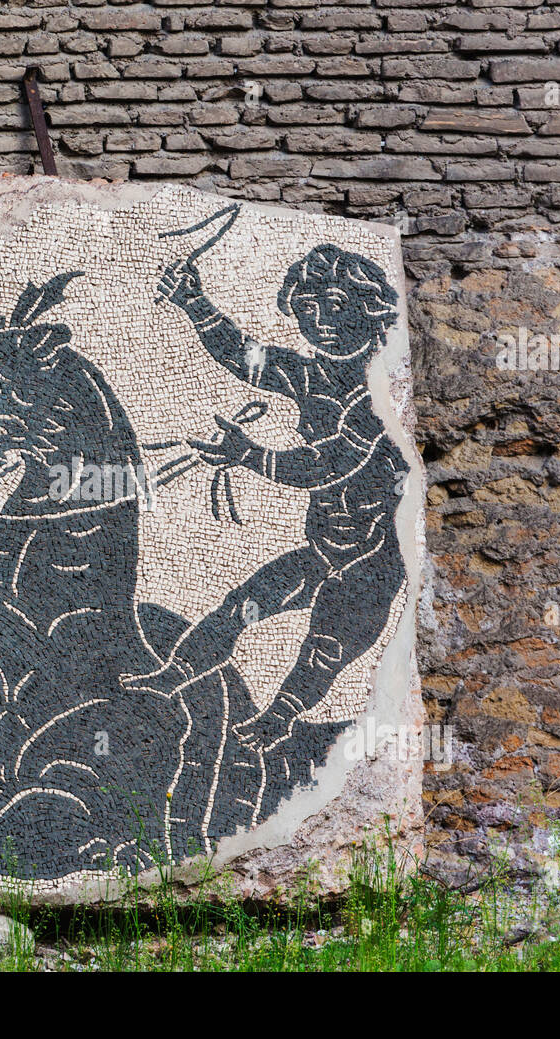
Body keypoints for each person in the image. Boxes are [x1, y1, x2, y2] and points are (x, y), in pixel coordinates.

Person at [122, 242, 409, 755]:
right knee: (242, 606)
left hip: (374, 556)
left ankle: (277, 720)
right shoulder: (312, 373)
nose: (319, 320)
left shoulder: (379, 389)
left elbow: (329, 465)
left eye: (336, 305)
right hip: (323, 544)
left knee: (326, 645)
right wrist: (194, 301)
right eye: (307, 308)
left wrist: (248, 455)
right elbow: (248, 358)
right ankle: (171, 679)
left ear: (370, 309)